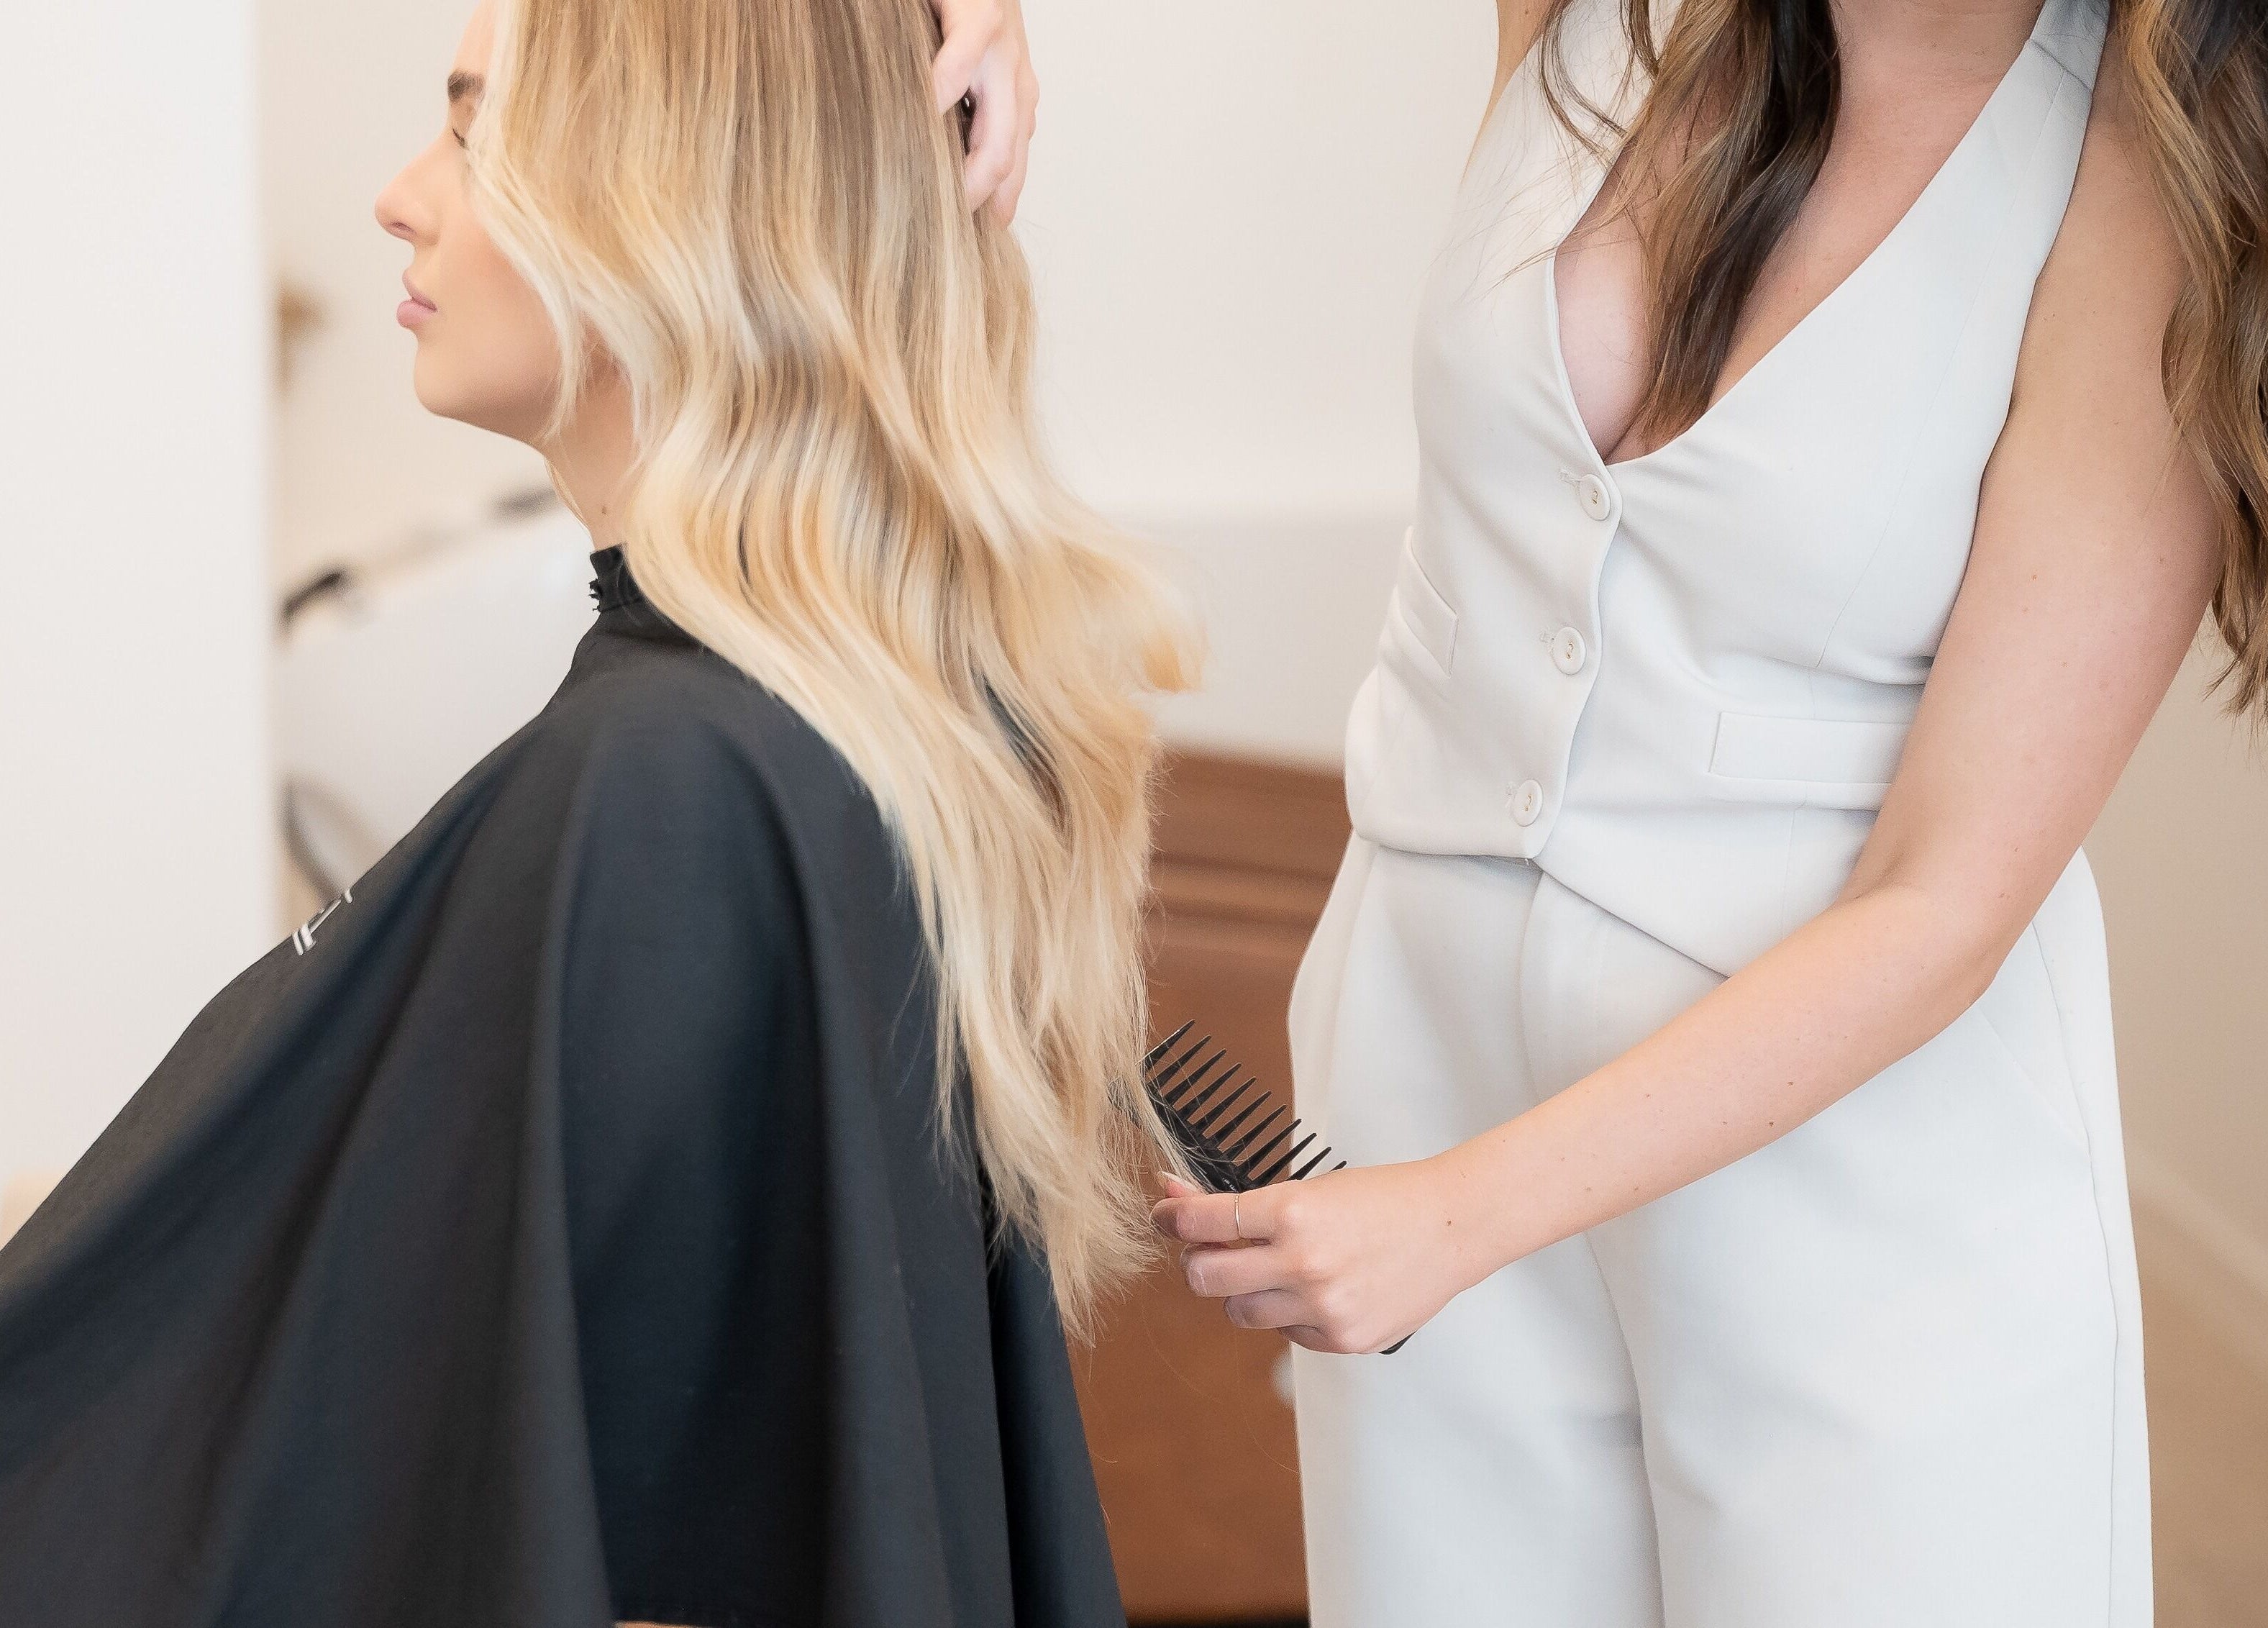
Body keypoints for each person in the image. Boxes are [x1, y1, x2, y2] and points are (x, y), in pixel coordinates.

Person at [0, 2, 1179, 1626]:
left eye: (476, 134)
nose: (400, 195)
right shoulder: (784, 742)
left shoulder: (672, 795)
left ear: (669, 209)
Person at [1133, 0, 2267, 1623]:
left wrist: (1458, 1213)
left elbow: (1942, 900)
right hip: (1412, 1076)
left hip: (1851, 1192)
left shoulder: (2143, 168)